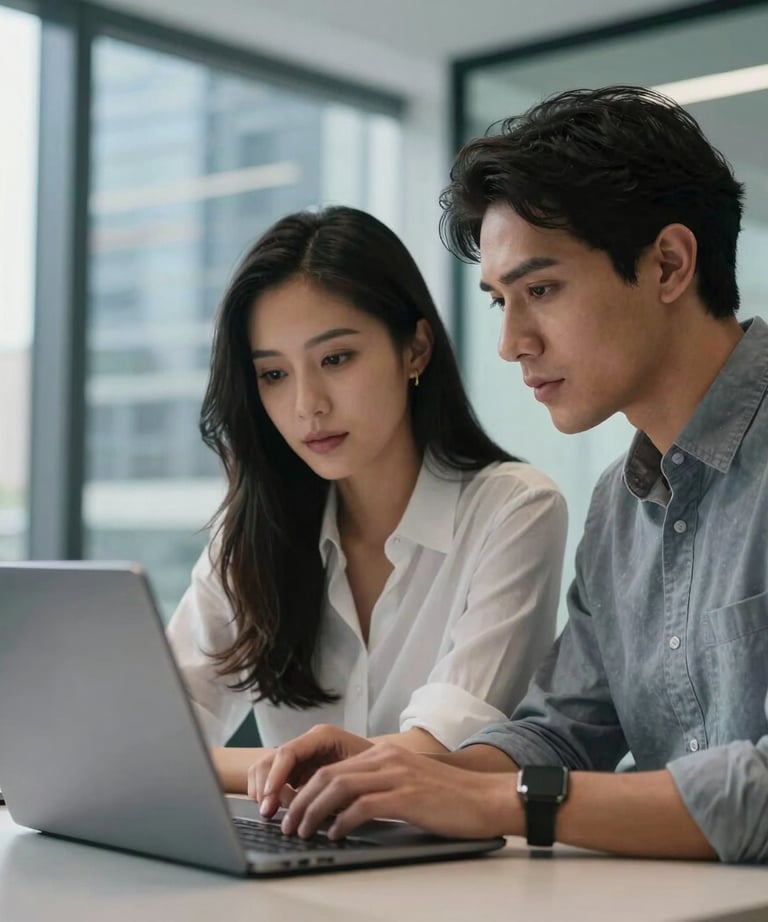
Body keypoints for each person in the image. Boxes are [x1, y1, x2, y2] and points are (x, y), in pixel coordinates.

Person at [251, 87, 768, 864]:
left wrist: (490, 798)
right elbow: (562, 727)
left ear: (668, 264)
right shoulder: (618, 510)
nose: (512, 342)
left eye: (542, 290)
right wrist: (403, 775)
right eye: (500, 301)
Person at [167, 205, 567, 793]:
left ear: (415, 350)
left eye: (335, 359)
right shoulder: (253, 531)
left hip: (457, 874)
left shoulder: (514, 511)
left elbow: (433, 756)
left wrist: (255, 772)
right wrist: (275, 773)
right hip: (298, 861)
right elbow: (152, 742)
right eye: (273, 374)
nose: (308, 405)